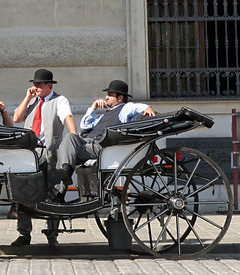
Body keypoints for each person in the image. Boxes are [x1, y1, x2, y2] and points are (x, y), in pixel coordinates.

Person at [9, 69, 76, 247]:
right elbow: (16, 118)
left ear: (49, 85)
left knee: (54, 192)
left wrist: (74, 136)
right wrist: (27, 98)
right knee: (23, 190)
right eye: (34, 84)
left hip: (50, 152)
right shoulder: (32, 103)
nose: (35, 87)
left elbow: (67, 117)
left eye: (39, 84)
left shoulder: (59, 100)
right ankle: (24, 234)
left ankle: (52, 234)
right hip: (30, 152)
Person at [55, 80, 155, 188]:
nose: (106, 97)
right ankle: (65, 171)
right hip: (88, 143)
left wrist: (146, 108)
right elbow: (84, 126)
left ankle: (60, 192)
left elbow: (134, 107)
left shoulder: (124, 109)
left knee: (65, 154)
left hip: (101, 147)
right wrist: (93, 108)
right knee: (70, 138)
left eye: (110, 95)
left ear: (120, 98)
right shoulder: (104, 115)